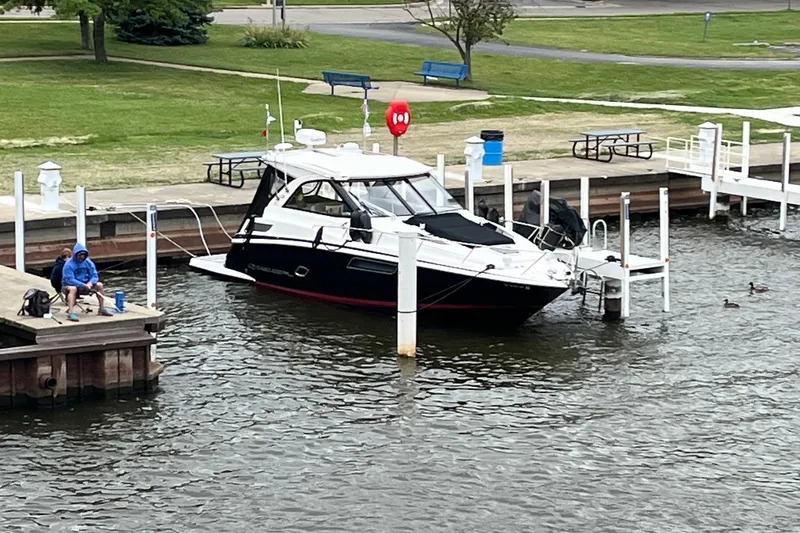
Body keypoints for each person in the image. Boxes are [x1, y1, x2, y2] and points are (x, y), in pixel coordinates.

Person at [61, 243, 113, 321]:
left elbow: (95, 275)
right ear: (75, 254)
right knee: (73, 289)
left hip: (87, 285)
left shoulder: (88, 262)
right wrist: (82, 284)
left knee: (100, 285)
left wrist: (90, 283)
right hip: (69, 286)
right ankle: (71, 313)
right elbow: (69, 279)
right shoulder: (68, 265)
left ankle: (101, 309)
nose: (81, 258)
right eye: (80, 256)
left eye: (83, 256)